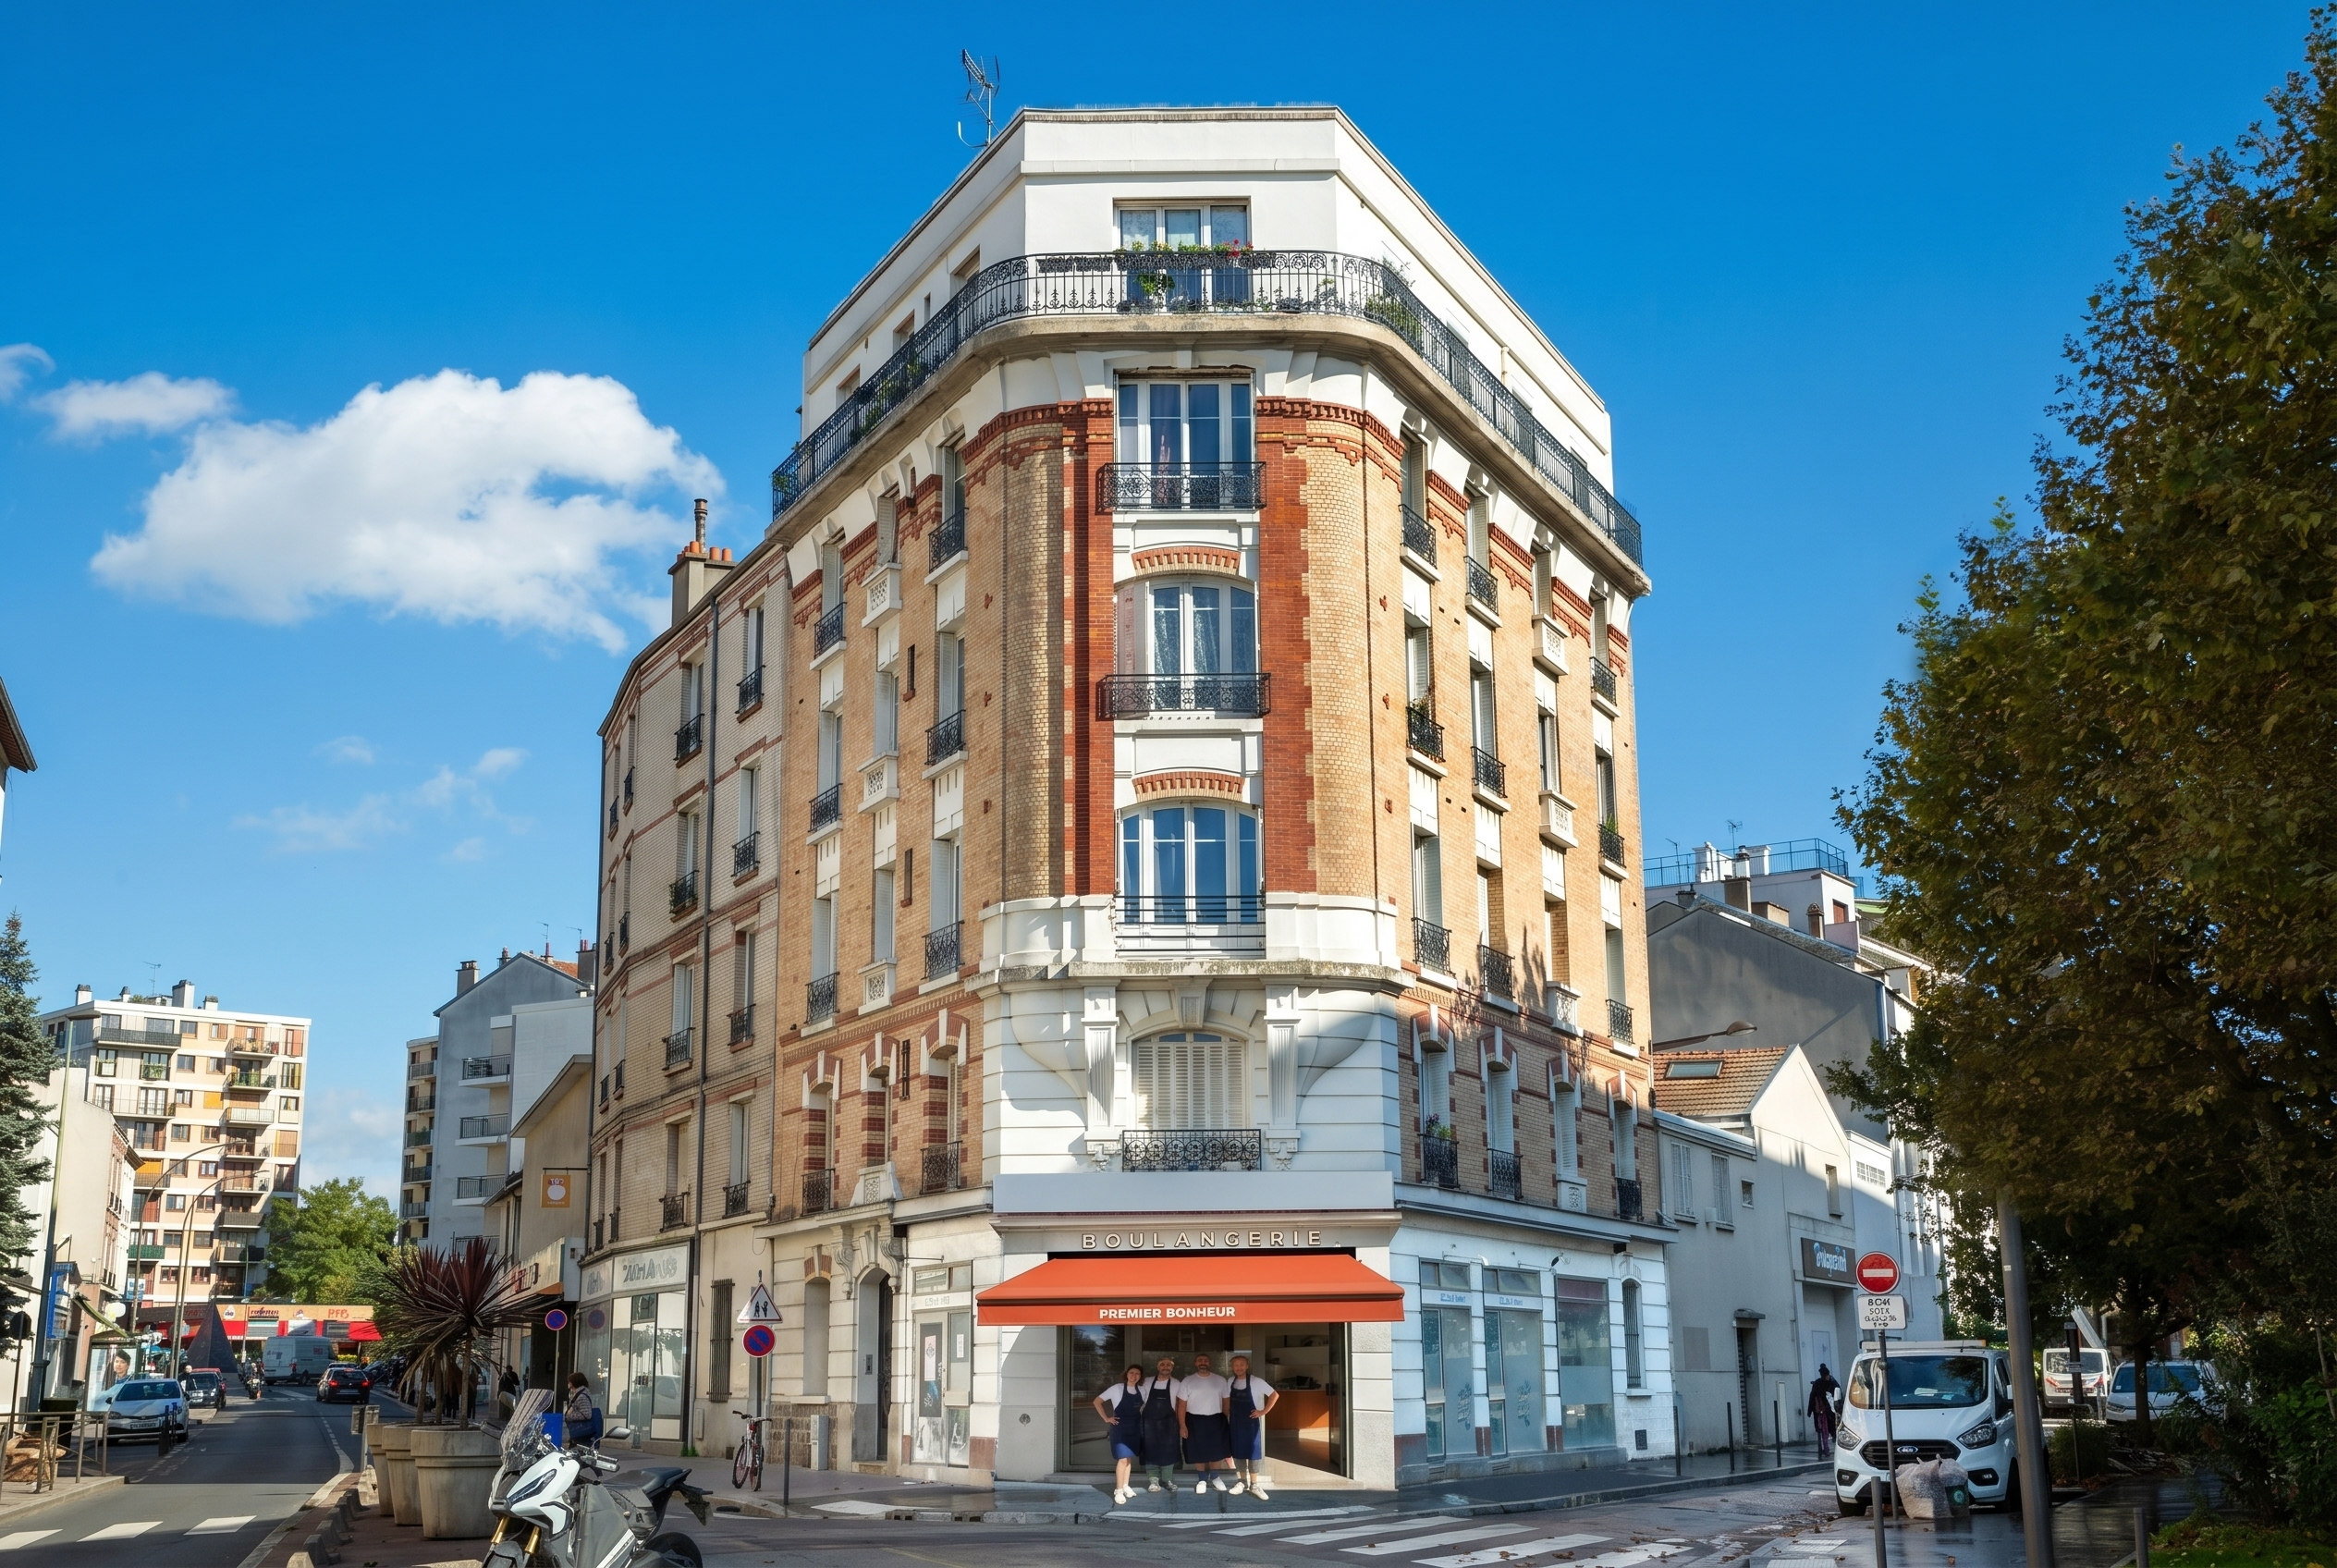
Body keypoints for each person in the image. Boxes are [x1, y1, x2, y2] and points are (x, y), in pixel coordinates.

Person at [1178, 1352, 1235, 1492]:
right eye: (1200, 1360)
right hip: (1194, 1419)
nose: (1203, 1362)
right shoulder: (1188, 1380)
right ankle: (1202, 1479)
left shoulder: (1220, 1380)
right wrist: (1182, 1424)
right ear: (1195, 1364)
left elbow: (1226, 1401)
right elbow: (1181, 1405)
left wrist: (1223, 1417)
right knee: (1198, 1450)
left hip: (1216, 1418)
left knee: (1216, 1449)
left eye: (1205, 1360)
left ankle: (1215, 1477)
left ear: (1209, 1363)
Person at [1091, 1365, 1148, 1505]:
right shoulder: (1116, 1388)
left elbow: (1142, 1408)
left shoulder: (1142, 1390)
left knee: (1128, 1460)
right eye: (1131, 1373)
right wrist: (1106, 1418)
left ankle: (1125, 1485)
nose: (1134, 1376)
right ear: (1126, 1374)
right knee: (1122, 1459)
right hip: (1120, 1427)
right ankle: (1118, 1491)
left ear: (1140, 1377)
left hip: (1135, 1427)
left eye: (1137, 1374)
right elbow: (1097, 1401)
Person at [1225, 1354, 1279, 1498]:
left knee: (1253, 1452)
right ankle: (1242, 1482)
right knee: (1238, 1451)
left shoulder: (1256, 1381)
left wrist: (1263, 1411)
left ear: (1247, 1366)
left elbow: (1274, 1395)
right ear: (1231, 1367)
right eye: (1235, 1365)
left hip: (1250, 1422)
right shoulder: (1230, 1381)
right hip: (1235, 1421)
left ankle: (1254, 1485)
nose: (1238, 1367)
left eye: (1242, 1364)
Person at [1136, 1356, 1183, 1493]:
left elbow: (1179, 1404)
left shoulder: (1176, 1383)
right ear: (1158, 1367)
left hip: (1169, 1422)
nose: (1165, 1367)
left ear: (1172, 1368)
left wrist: (1181, 1424)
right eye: (1162, 1364)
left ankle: (1167, 1480)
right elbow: (1138, 1400)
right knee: (1149, 1450)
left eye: (1168, 1365)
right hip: (1148, 1422)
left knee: (1169, 1451)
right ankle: (1153, 1481)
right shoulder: (1147, 1382)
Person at [1806, 1364, 1840, 1451]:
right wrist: (1810, 1410)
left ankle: (1826, 1447)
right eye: (1826, 1376)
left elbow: (1838, 1394)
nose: (1827, 1377)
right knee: (1823, 1429)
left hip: (1828, 1410)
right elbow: (1812, 1397)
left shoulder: (1831, 1382)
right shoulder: (1827, 1382)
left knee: (1827, 1428)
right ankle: (1824, 1448)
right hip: (1822, 1410)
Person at [564, 1371, 599, 1446]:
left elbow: (587, 1414)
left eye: (569, 1382)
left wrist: (569, 1416)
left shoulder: (582, 1396)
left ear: (573, 1383)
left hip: (582, 1434)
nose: (569, 1384)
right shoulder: (576, 1395)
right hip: (578, 1434)